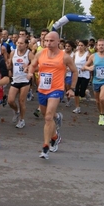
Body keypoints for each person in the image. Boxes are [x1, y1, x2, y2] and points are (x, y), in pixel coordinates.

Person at [27, 31, 78, 159]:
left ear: (58, 42)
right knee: (46, 116)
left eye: (51, 41)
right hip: (43, 89)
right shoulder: (40, 53)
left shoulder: (65, 57)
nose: (48, 43)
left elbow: (75, 71)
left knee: (48, 117)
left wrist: (72, 88)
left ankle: (45, 147)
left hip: (56, 89)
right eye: (46, 41)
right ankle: (55, 136)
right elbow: (32, 66)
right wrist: (29, 73)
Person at [82, 39, 104, 126]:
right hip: (96, 80)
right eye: (99, 45)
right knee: (97, 101)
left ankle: (102, 115)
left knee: (102, 98)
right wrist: (89, 68)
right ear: (96, 46)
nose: (101, 46)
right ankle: (101, 113)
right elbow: (84, 66)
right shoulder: (93, 56)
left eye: (103, 45)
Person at [7, 36, 34, 128]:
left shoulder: (29, 54)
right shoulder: (13, 53)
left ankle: (22, 120)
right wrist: (8, 68)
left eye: (21, 43)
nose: (19, 45)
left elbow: (35, 64)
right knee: (10, 101)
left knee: (21, 101)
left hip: (25, 80)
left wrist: (29, 67)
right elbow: (10, 65)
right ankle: (16, 111)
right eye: (18, 43)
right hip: (15, 79)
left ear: (26, 45)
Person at [72, 40, 91, 114]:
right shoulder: (75, 54)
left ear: (85, 46)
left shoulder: (88, 54)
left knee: (81, 93)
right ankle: (77, 107)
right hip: (77, 75)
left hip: (85, 75)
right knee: (76, 91)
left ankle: (86, 92)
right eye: (79, 45)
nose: (80, 47)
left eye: (82, 45)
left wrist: (85, 67)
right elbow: (73, 63)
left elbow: (90, 64)